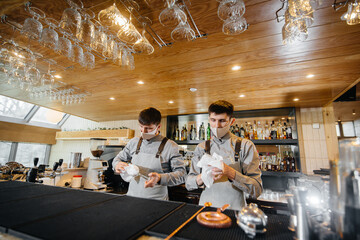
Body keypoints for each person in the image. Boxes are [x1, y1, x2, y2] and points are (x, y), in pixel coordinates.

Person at [185, 100, 262, 210]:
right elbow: (188, 184)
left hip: (235, 211)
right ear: (209, 120)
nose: (217, 125)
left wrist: (231, 173)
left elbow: (257, 189)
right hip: (206, 210)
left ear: (231, 121)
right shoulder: (201, 147)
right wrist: (203, 177)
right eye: (213, 120)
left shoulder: (246, 146)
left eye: (222, 121)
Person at [113, 107, 186, 200]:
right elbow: (117, 159)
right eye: (141, 127)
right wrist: (117, 165)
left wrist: (160, 178)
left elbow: (182, 175)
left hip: (157, 201)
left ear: (158, 127)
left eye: (149, 128)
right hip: (132, 197)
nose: (143, 132)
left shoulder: (170, 146)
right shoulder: (134, 142)